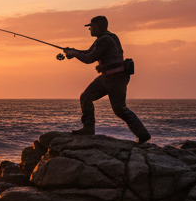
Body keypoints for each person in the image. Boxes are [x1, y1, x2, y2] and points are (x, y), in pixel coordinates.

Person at [62, 15, 151, 144]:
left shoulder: (105, 40)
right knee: (86, 97)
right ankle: (88, 128)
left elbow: (89, 58)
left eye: (91, 26)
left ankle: (143, 135)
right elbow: (88, 52)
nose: (90, 29)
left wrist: (75, 54)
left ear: (99, 26)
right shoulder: (105, 38)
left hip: (115, 78)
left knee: (119, 109)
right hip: (108, 77)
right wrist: (73, 51)